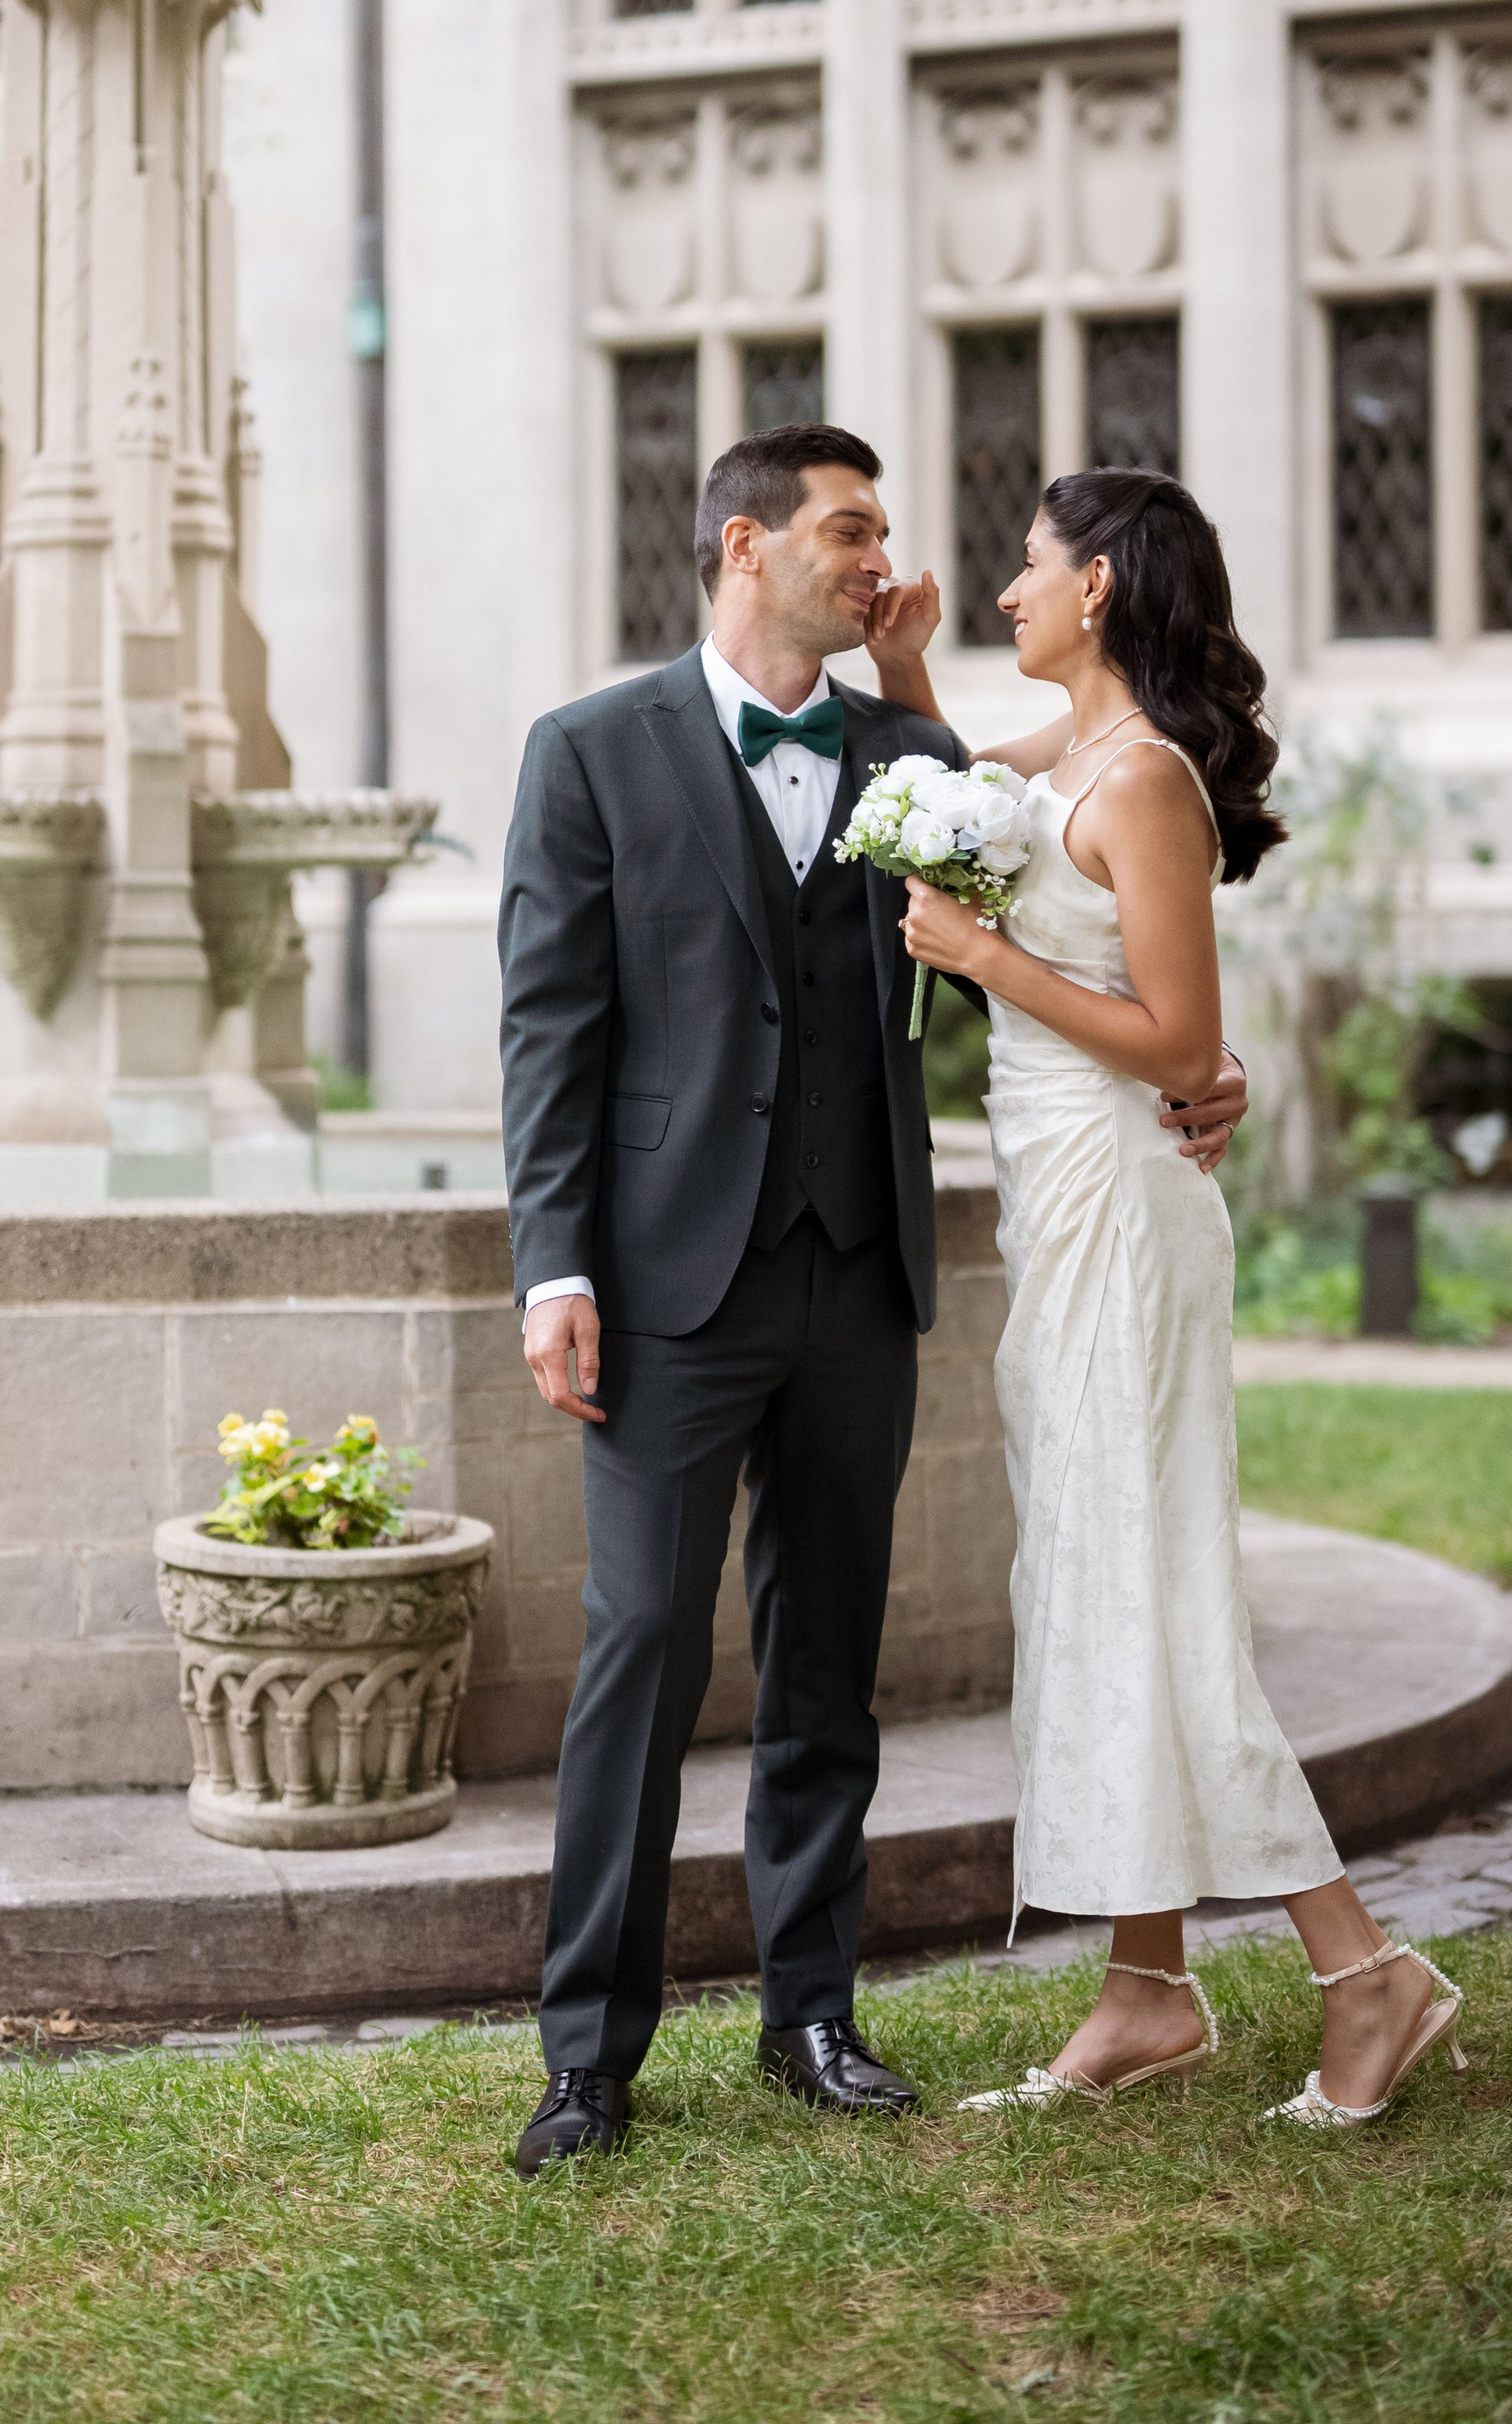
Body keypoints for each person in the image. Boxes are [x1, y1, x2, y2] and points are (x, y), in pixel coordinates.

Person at [496, 426, 1253, 2174]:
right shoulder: (587, 753)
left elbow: (1100, 953)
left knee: (828, 1657)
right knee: (639, 1655)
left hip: (857, 1278)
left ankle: (812, 2015)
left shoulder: (921, 761)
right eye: (849, 530)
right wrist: (554, 1262)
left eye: (882, 534)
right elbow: (551, 1033)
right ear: (744, 544)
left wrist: (1218, 1070)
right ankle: (586, 2055)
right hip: (669, 1288)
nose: (880, 559)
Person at [867, 468, 1470, 2128]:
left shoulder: (1139, 784)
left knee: (1155, 1588)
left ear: (1103, 592)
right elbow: (947, 805)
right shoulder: (1068, 758)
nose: (1004, 590)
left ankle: (1366, 1977)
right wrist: (910, 678)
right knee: (1089, 1574)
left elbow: (1180, 1050)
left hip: (1128, 1217)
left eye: (1028, 568)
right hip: (1067, 1208)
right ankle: (1144, 1987)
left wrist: (986, 963)